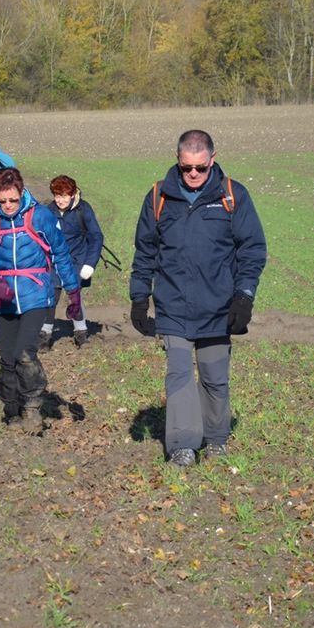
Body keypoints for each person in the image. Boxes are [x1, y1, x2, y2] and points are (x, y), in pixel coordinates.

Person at [129, 130, 266, 467]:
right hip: (173, 305)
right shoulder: (159, 196)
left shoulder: (233, 196)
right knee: (178, 375)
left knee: (213, 376)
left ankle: (216, 438)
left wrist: (244, 297)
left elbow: (252, 250)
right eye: (186, 167)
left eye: (200, 168)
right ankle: (183, 445)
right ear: (178, 161)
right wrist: (138, 297)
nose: (193, 174)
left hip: (219, 306)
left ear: (212, 159)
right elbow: (145, 250)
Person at [0, 167, 82, 434]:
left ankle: (32, 408)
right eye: (2, 201)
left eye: (13, 200)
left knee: (24, 353)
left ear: (22, 194)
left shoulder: (40, 216)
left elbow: (61, 254)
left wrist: (73, 292)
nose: (8, 206)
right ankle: (12, 410)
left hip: (35, 296)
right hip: (2, 299)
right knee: (8, 360)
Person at [40, 175, 104, 350]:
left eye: (64, 196)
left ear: (73, 194)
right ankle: (44, 336)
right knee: (51, 296)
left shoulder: (83, 210)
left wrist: (90, 264)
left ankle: (81, 334)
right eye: (57, 195)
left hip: (77, 260)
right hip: (54, 262)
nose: (60, 200)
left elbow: (96, 237)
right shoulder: (48, 211)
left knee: (74, 296)